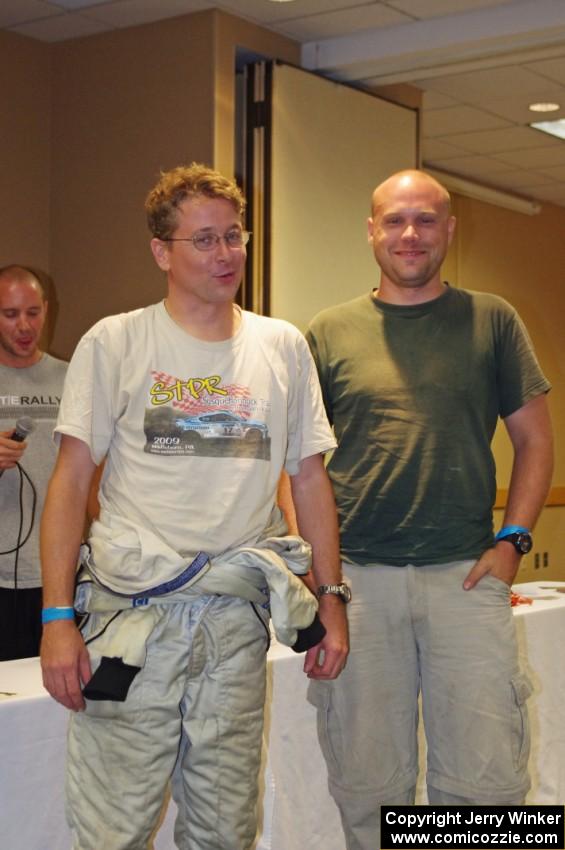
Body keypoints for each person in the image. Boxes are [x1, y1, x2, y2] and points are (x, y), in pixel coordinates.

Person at [40, 163, 349, 850]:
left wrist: (328, 598)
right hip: (135, 617)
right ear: (161, 251)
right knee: (112, 828)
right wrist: (58, 616)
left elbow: (307, 480)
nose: (225, 255)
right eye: (204, 239)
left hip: (232, 622)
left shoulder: (281, 346)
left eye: (233, 237)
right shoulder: (117, 342)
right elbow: (69, 482)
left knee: (224, 827)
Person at [305, 170, 553, 850]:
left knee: (485, 784)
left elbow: (534, 441)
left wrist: (512, 541)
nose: (408, 235)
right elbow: (298, 467)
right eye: (393, 220)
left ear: (448, 230)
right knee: (368, 782)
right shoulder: (327, 332)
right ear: (370, 230)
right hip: (357, 582)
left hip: (466, 577)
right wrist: (319, 577)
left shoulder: (492, 320)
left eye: (423, 220)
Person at [0, 265, 67, 660]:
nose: (24, 326)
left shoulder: (72, 379)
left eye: (32, 312)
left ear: (46, 309)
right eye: (10, 314)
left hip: (55, 578)